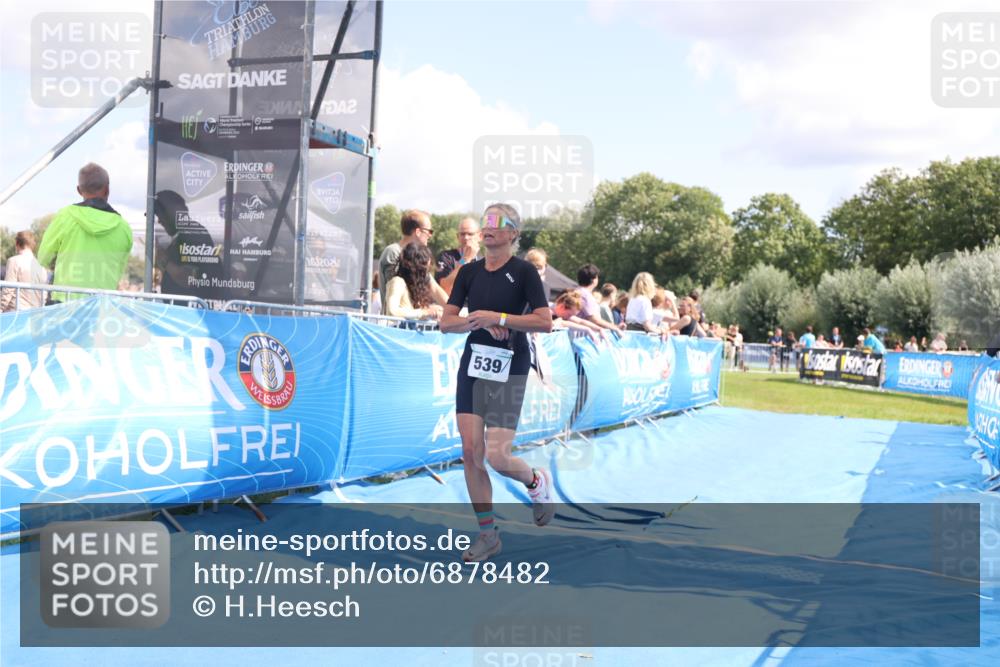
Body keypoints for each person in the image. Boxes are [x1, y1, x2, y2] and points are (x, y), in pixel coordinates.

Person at [440, 203, 554, 563]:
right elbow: (446, 322)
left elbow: (545, 321)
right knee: (471, 452)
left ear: (512, 233)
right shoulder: (468, 272)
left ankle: (536, 481)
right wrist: (477, 321)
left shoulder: (523, 272)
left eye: (496, 222)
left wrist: (501, 317)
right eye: (485, 221)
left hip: (511, 363)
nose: (488, 227)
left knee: (499, 457)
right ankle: (488, 535)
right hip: (474, 364)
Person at [37, 163, 133, 301]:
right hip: (102, 307)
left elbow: (43, 258)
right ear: (107, 190)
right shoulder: (124, 228)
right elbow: (119, 270)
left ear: (79, 190)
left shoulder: (64, 217)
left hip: (65, 305)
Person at [152, 190, 220, 297]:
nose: (159, 221)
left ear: (173, 212)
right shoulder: (184, 234)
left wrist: (164, 261)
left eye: (161, 215)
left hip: (191, 310)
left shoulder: (192, 233)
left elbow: (188, 278)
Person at [378, 209, 434, 305]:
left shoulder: (418, 256)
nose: (430, 235)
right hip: (396, 319)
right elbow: (396, 294)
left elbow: (434, 288)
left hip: (412, 317)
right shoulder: (393, 252)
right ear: (418, 232)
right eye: (429, 231)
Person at [384, 242, 447, 321]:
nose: (427, 274)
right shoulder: (397, 282)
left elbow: (439, 293)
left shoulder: (415, 287)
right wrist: (424, 312)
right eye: (425, 269)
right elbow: (393, 311)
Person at [1, 230, 48, 311]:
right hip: (34, 315)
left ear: (17, 244)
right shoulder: (42, 268)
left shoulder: (13, 261)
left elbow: (8, 291)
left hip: (15, 314)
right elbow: (44, 296)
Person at [435, 216, 481, 296]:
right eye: (462, 234)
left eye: (470, 234)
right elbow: (444, 288)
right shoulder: (446, 257)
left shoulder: (485, 261)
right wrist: (465, 260)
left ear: (480, 236)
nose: (466, 237)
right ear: (457, 237)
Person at [574, 264, 622, 331]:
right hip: (582, 336)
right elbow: (595, 319)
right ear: (594, 280)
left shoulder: (576, 291)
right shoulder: (585, 295)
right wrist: (615, 327)